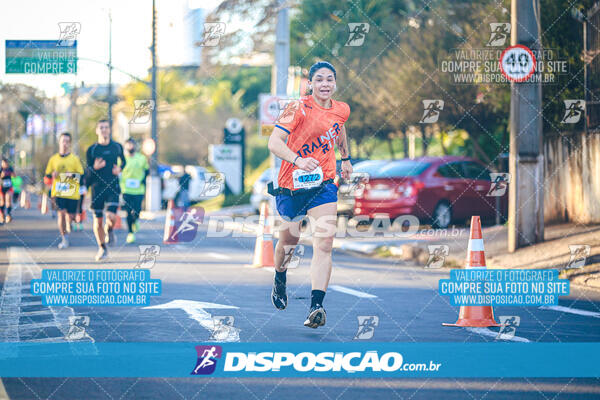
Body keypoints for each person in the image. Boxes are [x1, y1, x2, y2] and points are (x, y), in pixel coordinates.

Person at [267, 61, 352, 328]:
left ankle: (317, 306)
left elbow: (339, 130)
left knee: (324, 244)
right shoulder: (297, 108)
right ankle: (280, 277)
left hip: (323, 184)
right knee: (289, 243)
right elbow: (274, 142)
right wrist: (297, 160)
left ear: (335, 83)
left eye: (329, 79)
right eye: (319, 80)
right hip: (292, 185)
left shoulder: (341, 109)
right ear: (311, 84)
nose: (325, 84)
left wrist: (346, 159)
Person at [85, 119, 126, 261]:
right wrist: (94, 168)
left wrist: (120, 169)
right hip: (97, 189)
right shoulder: (92, 150)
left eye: (106, 127)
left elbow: (124, 161)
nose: (103, 130)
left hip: (113, 186)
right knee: (98, 220)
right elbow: (87, 171)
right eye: (101, 127)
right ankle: (102, 247)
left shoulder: (117, 147)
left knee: (111, 217)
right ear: (97, 130)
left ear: (110, 130)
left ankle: (110, 230)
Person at [44, 132, 84, 249]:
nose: (65, 144)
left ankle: (69, 224)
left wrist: (72, 175)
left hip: (72, 193)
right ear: (59, 142)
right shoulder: (53, 159)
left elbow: (82, 176)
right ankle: (64, 238)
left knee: (70, 217)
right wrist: (52, 175)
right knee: (61, 214)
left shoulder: (74, 159)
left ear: (70, 144)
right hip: (59, 192)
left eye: (67, 141)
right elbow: (46, 177)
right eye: (63, 141)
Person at [119, 138, 149, 243]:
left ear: (135, 146)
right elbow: (118, 172)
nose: (130, 147)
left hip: (139, 190)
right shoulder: (122, 159)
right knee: (128, 211)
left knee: (137, 210)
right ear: (125, 146)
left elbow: (146, 171)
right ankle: (130, 233)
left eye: (132, 145)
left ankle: (136, 220)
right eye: (128, 145)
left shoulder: (141, 158)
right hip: (126, 189)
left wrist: (143, 181)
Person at [0, 158, 16, 223]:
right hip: (1, 187)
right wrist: (1, 175)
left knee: (8, 200)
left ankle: (9, 215)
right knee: (2, 202)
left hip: (8, 187)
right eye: (3, 163)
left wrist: (12, 174)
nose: (5, 164)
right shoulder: (0, 169)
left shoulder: (10, 168)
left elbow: (14, 176)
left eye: (6, 163)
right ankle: (2, 215)